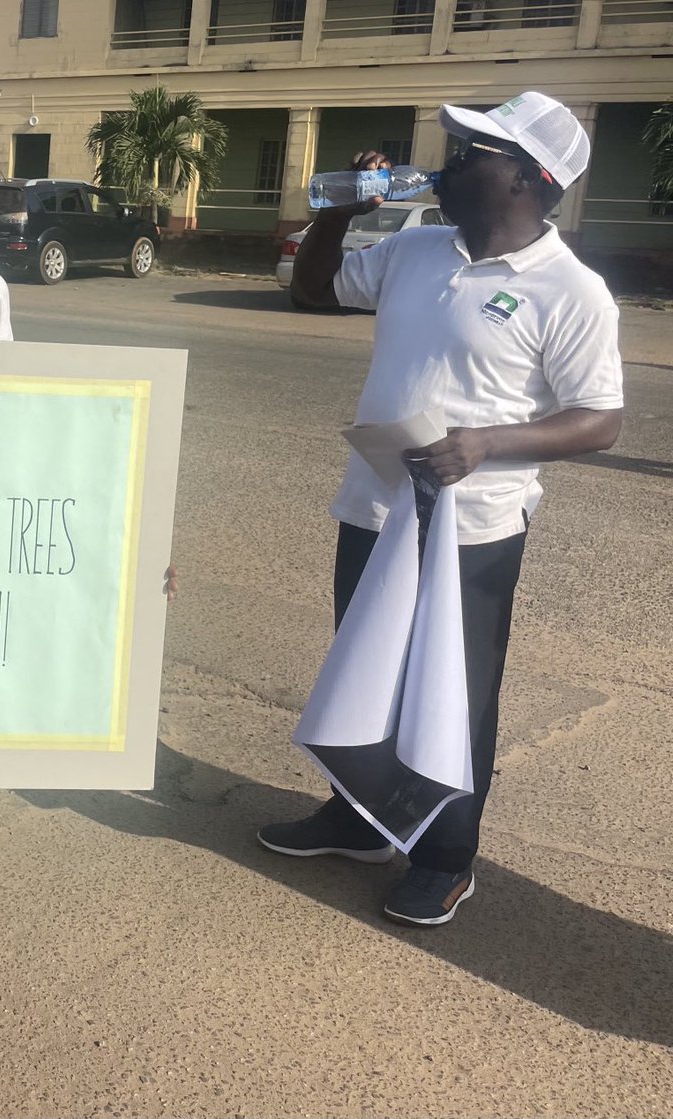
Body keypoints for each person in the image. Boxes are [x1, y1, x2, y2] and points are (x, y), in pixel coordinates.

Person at [259, 91, 624, 926]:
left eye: (476, 152)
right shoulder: (418, 248)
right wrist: (335, 217)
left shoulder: (571, 291)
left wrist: (487, 444)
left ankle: (448, 855)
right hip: (376, 507)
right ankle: (357, 818)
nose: (452, 159)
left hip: (473, 530)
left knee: (455, 691)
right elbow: (312, 293)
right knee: (365, 667)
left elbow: (601, 421)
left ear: (528, 180)